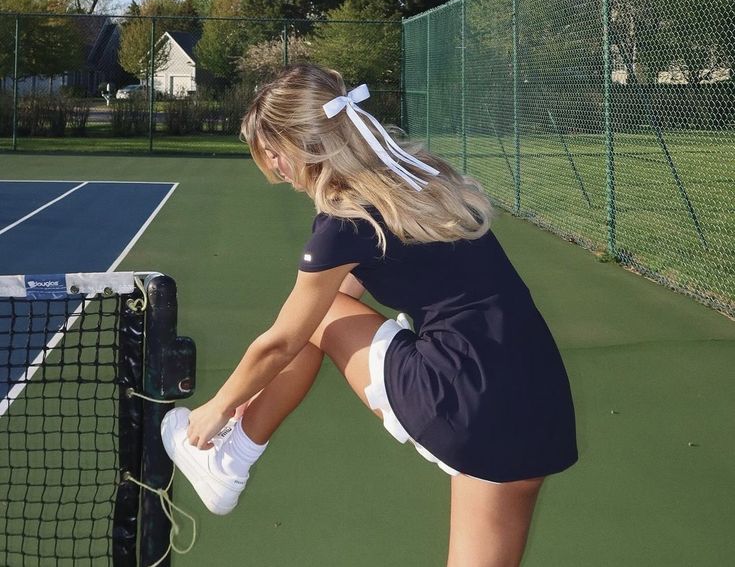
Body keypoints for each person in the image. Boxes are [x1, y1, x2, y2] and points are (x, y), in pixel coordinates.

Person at [162, 63, 577, 567]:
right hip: (536, 399)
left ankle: (228, 461)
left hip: (463, 394)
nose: (274, 168)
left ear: (303, 145)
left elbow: (286, 339)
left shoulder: (346, 219)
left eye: (274, 153)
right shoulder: (421, 176)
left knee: (310, 318)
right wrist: (250, 398)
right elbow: (336, 307)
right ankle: (233, 457)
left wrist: (218, 409)